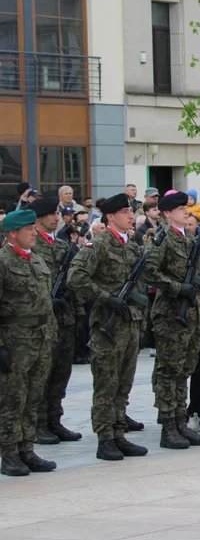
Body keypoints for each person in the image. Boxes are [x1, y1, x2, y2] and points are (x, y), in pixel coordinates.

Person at [67, 193, 150, 461]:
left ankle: (118, 433)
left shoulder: (133, 245)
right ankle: (105, 439)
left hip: (131, 324)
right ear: (111, 216)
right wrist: (106, 298)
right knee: (106, 384)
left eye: (132, 211)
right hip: (108, 327)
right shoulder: (99, 244)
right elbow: (75, 277)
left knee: (123, 385)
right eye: (126, 211)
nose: (130, 215)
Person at [143, 192, 200, 448]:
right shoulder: (162, 239)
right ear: (168, 213)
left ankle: (181, 421)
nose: (187, 212)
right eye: (182, 208)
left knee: (185, 369)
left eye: (188, 208)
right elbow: (149, 271)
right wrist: (176, 287)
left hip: (191, 311)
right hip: (171, 313)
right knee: (169, 370)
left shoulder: (188, 239)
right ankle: (168, 426)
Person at [0, 208, 58, 476]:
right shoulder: (2, 261)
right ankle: (9, 453)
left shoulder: (35, 259)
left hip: (40, 338)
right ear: (12, 233)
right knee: (13, 398)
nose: (34, 234)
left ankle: (27, 449)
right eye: (28, 230)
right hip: (15, 340)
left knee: (34, 396)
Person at [30, 197, 82, 445]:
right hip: (42, 321)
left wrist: (77, 310)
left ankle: (54, 419)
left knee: (62, 371)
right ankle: (39, 424)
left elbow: (74, 280)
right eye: (51, 214)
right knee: (43, 373)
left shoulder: (62, 247)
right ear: (38, 218)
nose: (56, 217)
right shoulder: (31, 246)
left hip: (65, 318)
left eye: (57, 213)